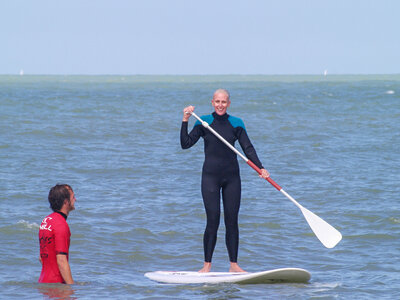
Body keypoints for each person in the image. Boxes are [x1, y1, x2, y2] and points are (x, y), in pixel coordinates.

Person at [180, 89, 270, 273]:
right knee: (212, 220)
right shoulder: (205, 122)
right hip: (210, 178)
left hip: (232, 178)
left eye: (224, 102)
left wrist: (260, 168)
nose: (220, 105)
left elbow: (248, 148)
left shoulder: (236, 123)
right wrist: (185, 120)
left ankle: (234, 265)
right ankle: (206, 266)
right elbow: (185, 143)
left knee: (232, 220)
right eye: (217, 101)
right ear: (212, 102)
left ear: (229, 103)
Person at [38, 184, 76, 284]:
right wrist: (71, 288)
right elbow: (61, 260)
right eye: (73, 197)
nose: (75, 200)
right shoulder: (61, 224)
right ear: (66, 202)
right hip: (56, 284)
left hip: (43, 282)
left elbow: (41, 258)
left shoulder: (46, 221)